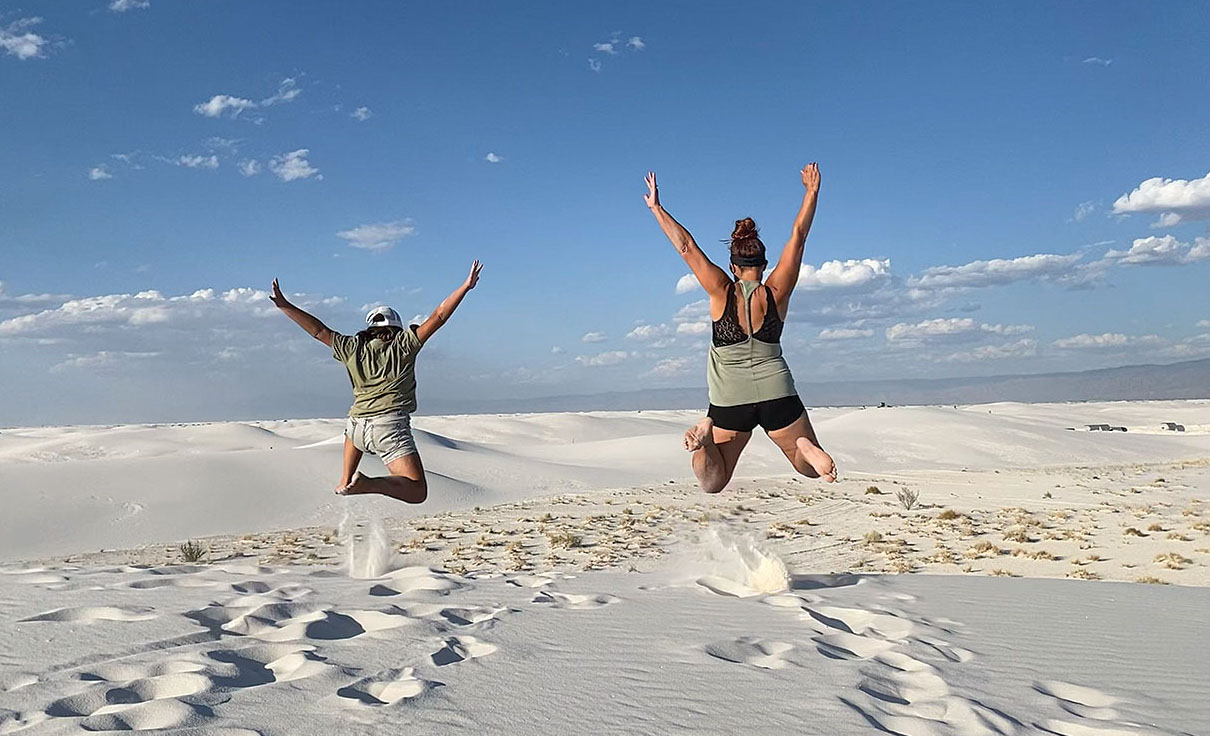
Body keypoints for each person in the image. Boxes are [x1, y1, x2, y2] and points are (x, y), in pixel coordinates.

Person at [644, 165, 836, 492]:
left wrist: (657, 209)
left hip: (729, 400)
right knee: (809, 470)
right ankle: (805, 447)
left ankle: (705, 439)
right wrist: (811, 193)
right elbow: (799, 236)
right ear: (763, 265)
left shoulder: (722, 290)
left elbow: (687, 247)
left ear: (733, 267)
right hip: (778, 393)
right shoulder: (777, 291)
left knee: (713, 481)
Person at [269, 260, 483, 503]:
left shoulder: (352, 347)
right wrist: (465, 287)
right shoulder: (404, 345)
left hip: (356, 428)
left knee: (354, 429)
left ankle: (345, 479)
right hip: (388, 427)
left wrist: (285, 306)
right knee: (417, 491)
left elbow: (319, 331)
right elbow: (439, 315)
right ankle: (367, 483)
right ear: (396, 328)